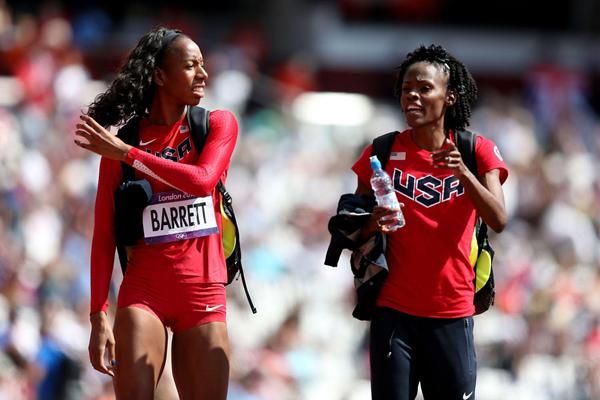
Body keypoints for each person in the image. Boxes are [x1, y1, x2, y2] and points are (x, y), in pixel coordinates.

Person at [74, 27, 237, 400]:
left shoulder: (214, 125)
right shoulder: (123, 143)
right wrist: (98, 314)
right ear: (160, 75)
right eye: (191, 65)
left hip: (204, 293)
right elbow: (103, 235)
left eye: (203, 65)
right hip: (144, 291)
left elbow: (202, 180)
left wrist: (128, 156)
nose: (204, 74)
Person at [351, 44, 508, 399]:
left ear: (450, 96)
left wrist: (463, 173)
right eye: (407, 89)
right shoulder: (381, 151)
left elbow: (498, 219)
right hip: (393, 312)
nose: (413, 97)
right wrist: (373, 223)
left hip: (451, 313)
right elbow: (352, 226)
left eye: (424, 89)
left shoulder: (475, 150)